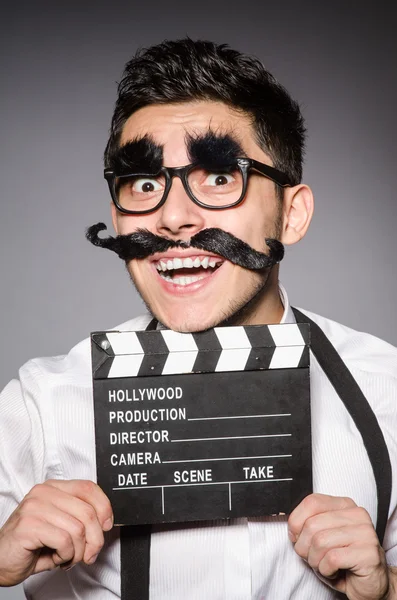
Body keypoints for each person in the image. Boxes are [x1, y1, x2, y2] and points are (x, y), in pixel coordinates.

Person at [0, 38, 396, 600]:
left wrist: (386, 588)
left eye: (217, 177)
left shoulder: (389, 391)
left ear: (292, 213)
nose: (172, 216)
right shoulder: (41, 406)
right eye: (143, 183)